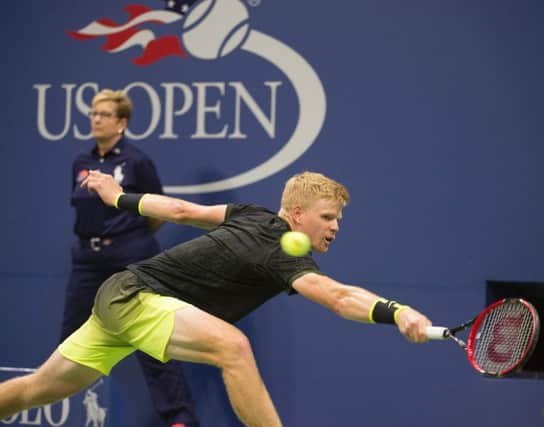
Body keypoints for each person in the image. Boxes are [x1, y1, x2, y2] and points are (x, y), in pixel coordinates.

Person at [0, 170, 433, 427]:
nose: (335, 227)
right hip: (136, 297)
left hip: (123, 295)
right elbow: (338, 297)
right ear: (297, 214)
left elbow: (184, 212)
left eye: (338, 219)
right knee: (234, 347)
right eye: (328, 217)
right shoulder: (280, 248)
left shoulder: (251, 214)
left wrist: (118, 197)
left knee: (36, 390)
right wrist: (397, 312)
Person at [61, 89, 199, 427]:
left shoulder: (137, 161)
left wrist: (127, 240)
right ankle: (61, 409)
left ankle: (180, 418)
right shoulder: (82, 162)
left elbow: (157, 211)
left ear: (121, 123)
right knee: (70, 338)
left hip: (129, 257)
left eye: (105, 114)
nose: (96, 119)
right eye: (93, 113)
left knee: (150, 338)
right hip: (86, 260)